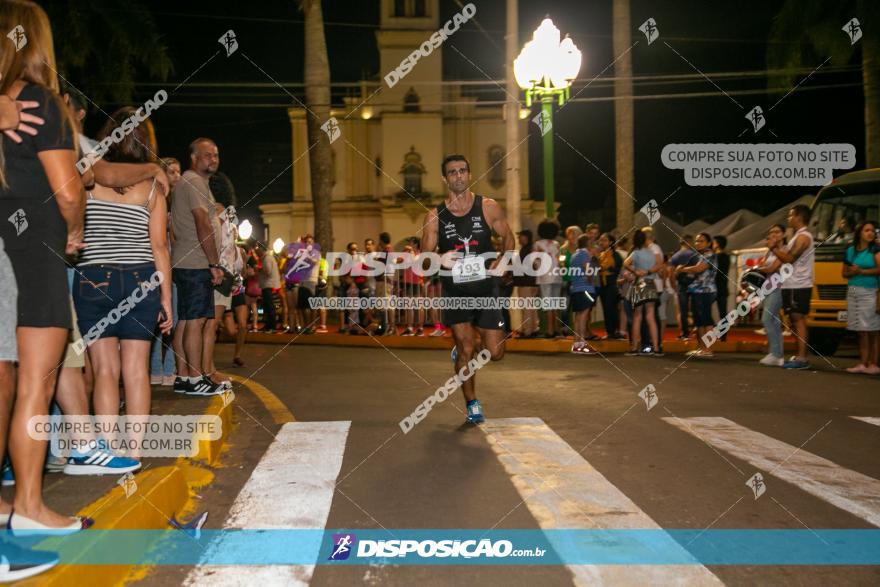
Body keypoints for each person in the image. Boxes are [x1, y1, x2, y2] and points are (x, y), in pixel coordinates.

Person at [0, 0, 94, 533]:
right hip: (35, 253)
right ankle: (31, 505)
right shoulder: (41, 103)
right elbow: (66, 189)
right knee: (38, 381)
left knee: (7, 380)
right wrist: (77, 229)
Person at [72, 106, 173, 458]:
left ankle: (109, 450)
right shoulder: (153, 188)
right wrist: (166, 299)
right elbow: (159, 246)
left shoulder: (88, 176)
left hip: (94, 276)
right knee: (136, 369)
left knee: (104, 370)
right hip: (140, 280)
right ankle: (134, 452)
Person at [421, 155, 513, 424]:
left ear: (469, 174)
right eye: (452, 172)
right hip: (455, 291)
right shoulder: (435, 216)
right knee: (466, 350)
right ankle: (472, 403)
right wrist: (439, 259)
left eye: (462, 171)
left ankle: (467, 343)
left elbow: (508, 236)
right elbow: (424, 259)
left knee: (496, 353)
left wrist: (504, 259)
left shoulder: (487, 207)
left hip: (486, 288)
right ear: (445, 178)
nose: (458, 176)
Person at [170, 138, 225, 395]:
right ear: (193, 157)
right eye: (207, 155)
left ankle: (182, 376)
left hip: (186, 260)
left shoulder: (192, 182)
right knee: (197, 320)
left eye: (215, 155)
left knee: (186, 320)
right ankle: (195, 379)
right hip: (195, 262)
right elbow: (202, 223)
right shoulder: (193, 182)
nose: (212, 159)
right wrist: (214, 263)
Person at [203, 171, 239, 384]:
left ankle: (206, 369)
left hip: (220, 273)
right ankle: (208, 370)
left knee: (208, 325)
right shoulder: (219, 216)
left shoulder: (215, 214)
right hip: (219, 274)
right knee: (211, 325)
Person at [771, 205, 815, 369]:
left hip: (800, 284)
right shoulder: (796, 236)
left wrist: (774, 249)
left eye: (790, 215)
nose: (788, 218)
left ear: (798, 217)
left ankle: (803, 358)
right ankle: (799, 356)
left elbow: (789, 258)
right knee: (793, 320)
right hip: (791, 284)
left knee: (799, 319)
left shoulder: (804, 237)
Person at [150, 157, 181, 385]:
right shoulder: (155, 197)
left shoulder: (177, 202)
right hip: (155, 266)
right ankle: (156, 369)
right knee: (158, 318)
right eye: (171, 172)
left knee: (173, 318)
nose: (176, 177)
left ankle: (168, 367)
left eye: (179, 172)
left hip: (170, 265)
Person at [843, 220, 880, 374]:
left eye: (872, 230)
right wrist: (853, 271)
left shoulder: (876, 250)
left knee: (873, 329)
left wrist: (862, 271)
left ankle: (874, 364)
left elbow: (879, 270)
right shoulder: (851, 251)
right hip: (853, 291)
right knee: (860, 329)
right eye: (867, 230)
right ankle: (862, 363)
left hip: (870, 291)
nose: (870, 233)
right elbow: (844, 273)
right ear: (859, 233)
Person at [676, 233, 717, 358]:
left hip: (706, 291)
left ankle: (708, 348)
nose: (698, 243)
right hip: (696, 291)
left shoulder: (710, 255)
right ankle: (701, 347)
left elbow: (699, 269)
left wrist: (682, 269)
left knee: (706, 319)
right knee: (699, 321)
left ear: (709, 243)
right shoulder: (699, 255)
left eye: (702, 241)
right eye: (697, 241)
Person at [623, 231, 661, 356]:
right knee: (651, 317)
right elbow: (659, 264)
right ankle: (656, 347)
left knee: (637, 317)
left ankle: (634, 348)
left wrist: (636, 271)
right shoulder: (651, 253)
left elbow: (625, 263)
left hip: (639, 284)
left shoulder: (635, 253)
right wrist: (648, 271)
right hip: (651, 284)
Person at [757, 224, 787, 367]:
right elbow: (764, 266)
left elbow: (772, 268)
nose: (774, 234)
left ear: (783, 234)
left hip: (779, 288)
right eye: (771, 232)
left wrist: (756, 269)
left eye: (777, 231)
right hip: (768, 288)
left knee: (767, 319)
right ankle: (778, 355)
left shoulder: (784, 250)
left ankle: (775, 353)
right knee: (774, 322)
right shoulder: (770, 251)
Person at [569, 235, 598, 354]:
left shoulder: (574, 255)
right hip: (585, 288)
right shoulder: (585, 254)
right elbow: (588, 270)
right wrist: (591, 278)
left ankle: (577, 344)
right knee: (583, 316)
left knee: (577, 317)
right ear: (588, 243)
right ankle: (582, 344)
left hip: (575, 288)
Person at [534, 220, 563, 338]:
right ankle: (556, 329)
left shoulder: (537, 244)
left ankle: (550, 331)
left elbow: (535, 262)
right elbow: (559, 260)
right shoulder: (556, 244)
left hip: (544, 277)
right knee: (555, 304)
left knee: (547, 304)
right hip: (557, 276)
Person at [597, 232, 624, 339]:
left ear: (611, 242)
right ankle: (610, 332)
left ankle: (615, 331)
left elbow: (618, 269)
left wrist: (607, 269)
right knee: (606, 308)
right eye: (601, 240)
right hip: (602, 284)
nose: (601, 242)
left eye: (604, 240)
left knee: (611, 307)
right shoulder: (600, 254)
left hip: (612, 285)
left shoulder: (616, 255)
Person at [512, 229, 538, 338]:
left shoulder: (527, 250)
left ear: (525, 238)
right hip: (531, 282)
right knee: (531, 307)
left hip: (526, 282)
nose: (518, 239)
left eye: (520, 237)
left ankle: (527, 331)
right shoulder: (530, 249)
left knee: (526, 307)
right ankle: (533, 328)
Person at [257, 241, 282, 331]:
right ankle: (269, 324)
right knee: (267, 305)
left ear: (262, 249)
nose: (256, 250)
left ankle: (271, 325)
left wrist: (259, 269)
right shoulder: (268, 257)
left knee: (269, 305)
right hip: (268, 284)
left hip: (268, 284)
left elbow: (268, 271)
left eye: (258, 248)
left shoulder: (267, 258)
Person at [713, 235, 731, 342]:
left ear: (718, 244)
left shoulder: (717, 257)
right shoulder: (726, 256)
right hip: (723, 287)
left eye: (714, 242)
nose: (712, 245)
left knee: (705, 310)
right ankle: (723, 335)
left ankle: (717, 333)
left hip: (715, 287)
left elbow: (715, 273)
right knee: (722, 312)